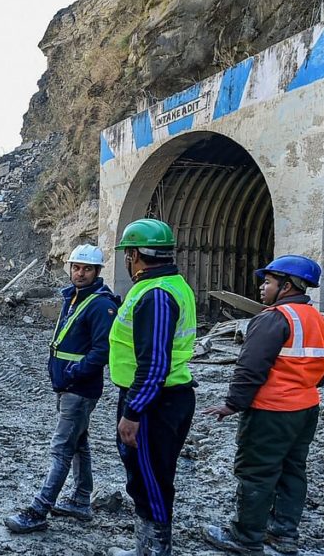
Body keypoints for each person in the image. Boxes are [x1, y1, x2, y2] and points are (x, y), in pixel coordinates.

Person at [202, 255, 324, 556]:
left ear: (286, 286)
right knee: (293, 470)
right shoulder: (319, 320)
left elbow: (250, 367)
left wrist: (232, 404)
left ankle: (245, 538)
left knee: (257, 473)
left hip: (271, 411)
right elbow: (321, 368)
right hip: (306, 409)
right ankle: (284, 535)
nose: (262, 287)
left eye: (269, 282)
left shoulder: (274, 319)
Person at [6, 244, 118, 533]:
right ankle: (80, 500)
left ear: (97, 272)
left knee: (61, 448)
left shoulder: (99, 304)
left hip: (79, 389)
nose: (80, 273)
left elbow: (102, 351)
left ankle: (39, 509)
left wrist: (72, 374)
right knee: (78, 442)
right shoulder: (75, 298)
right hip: (69, 386)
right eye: (76, 267)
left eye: (87, 269)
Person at [107, 219, 196, 556]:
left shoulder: (156, 295)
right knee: (146, 474)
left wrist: (133, 411)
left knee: (151, 479)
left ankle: (155, 548)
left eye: (127, 255)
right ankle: (148, 545)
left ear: (134, 254)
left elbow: (154, 363)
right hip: (160, 396)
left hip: (154, 401)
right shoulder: (169, 285)